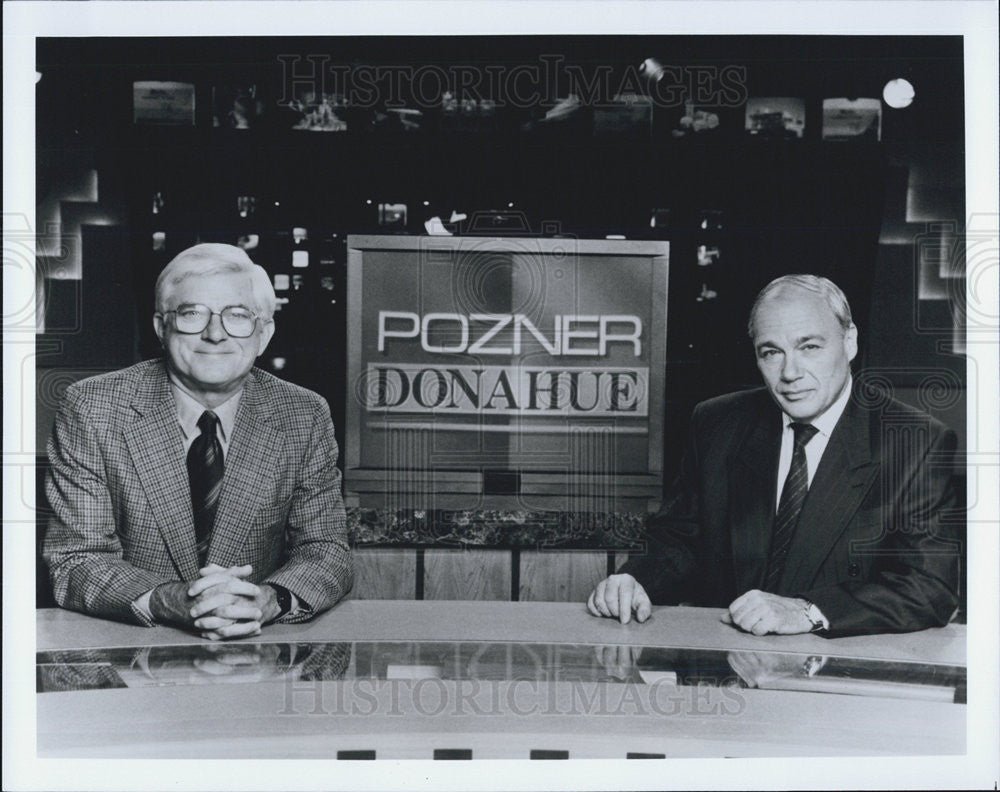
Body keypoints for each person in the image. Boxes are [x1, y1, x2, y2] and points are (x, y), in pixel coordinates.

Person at [586, 275, 960, 636]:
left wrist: (807, 611)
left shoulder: (915, 442)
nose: (790, 372)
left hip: (834, 682)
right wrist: (636, 579)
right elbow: (681, 537)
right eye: (771, 353)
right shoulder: (717, 422)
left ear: (849, 342)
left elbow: (929, 587)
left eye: (809, 347)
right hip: (722, 677)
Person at [44, 243, 353, 640]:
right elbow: (76, 558)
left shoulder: (303, 414)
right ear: (161, 327)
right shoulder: (92, 407)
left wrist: (269, 598)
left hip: (256, 652)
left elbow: (327, 551)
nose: (214, 333)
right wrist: (172, 599)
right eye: (192, 314)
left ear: (264, 333)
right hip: (132, 652)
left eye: (238, 316)